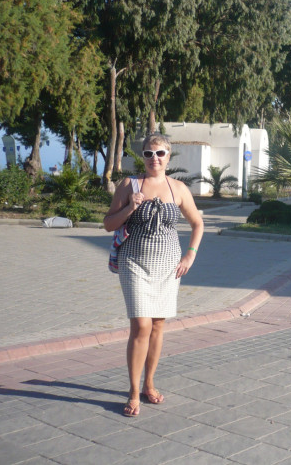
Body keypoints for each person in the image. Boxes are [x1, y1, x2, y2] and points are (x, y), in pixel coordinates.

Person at [104, 133, 204, 417]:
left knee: (158, 324)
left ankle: (149, 383)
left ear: (168, 157)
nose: (154, 159)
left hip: (168, 266)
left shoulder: (178, 188)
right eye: (148, 154)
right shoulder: (129, 185)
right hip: (134, 263)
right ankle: (133, 391)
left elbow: (197, 223)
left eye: (160, 153)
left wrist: (190, 255)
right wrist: (130, 207)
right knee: (141, 325)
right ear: (143, 157)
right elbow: (108, 224)